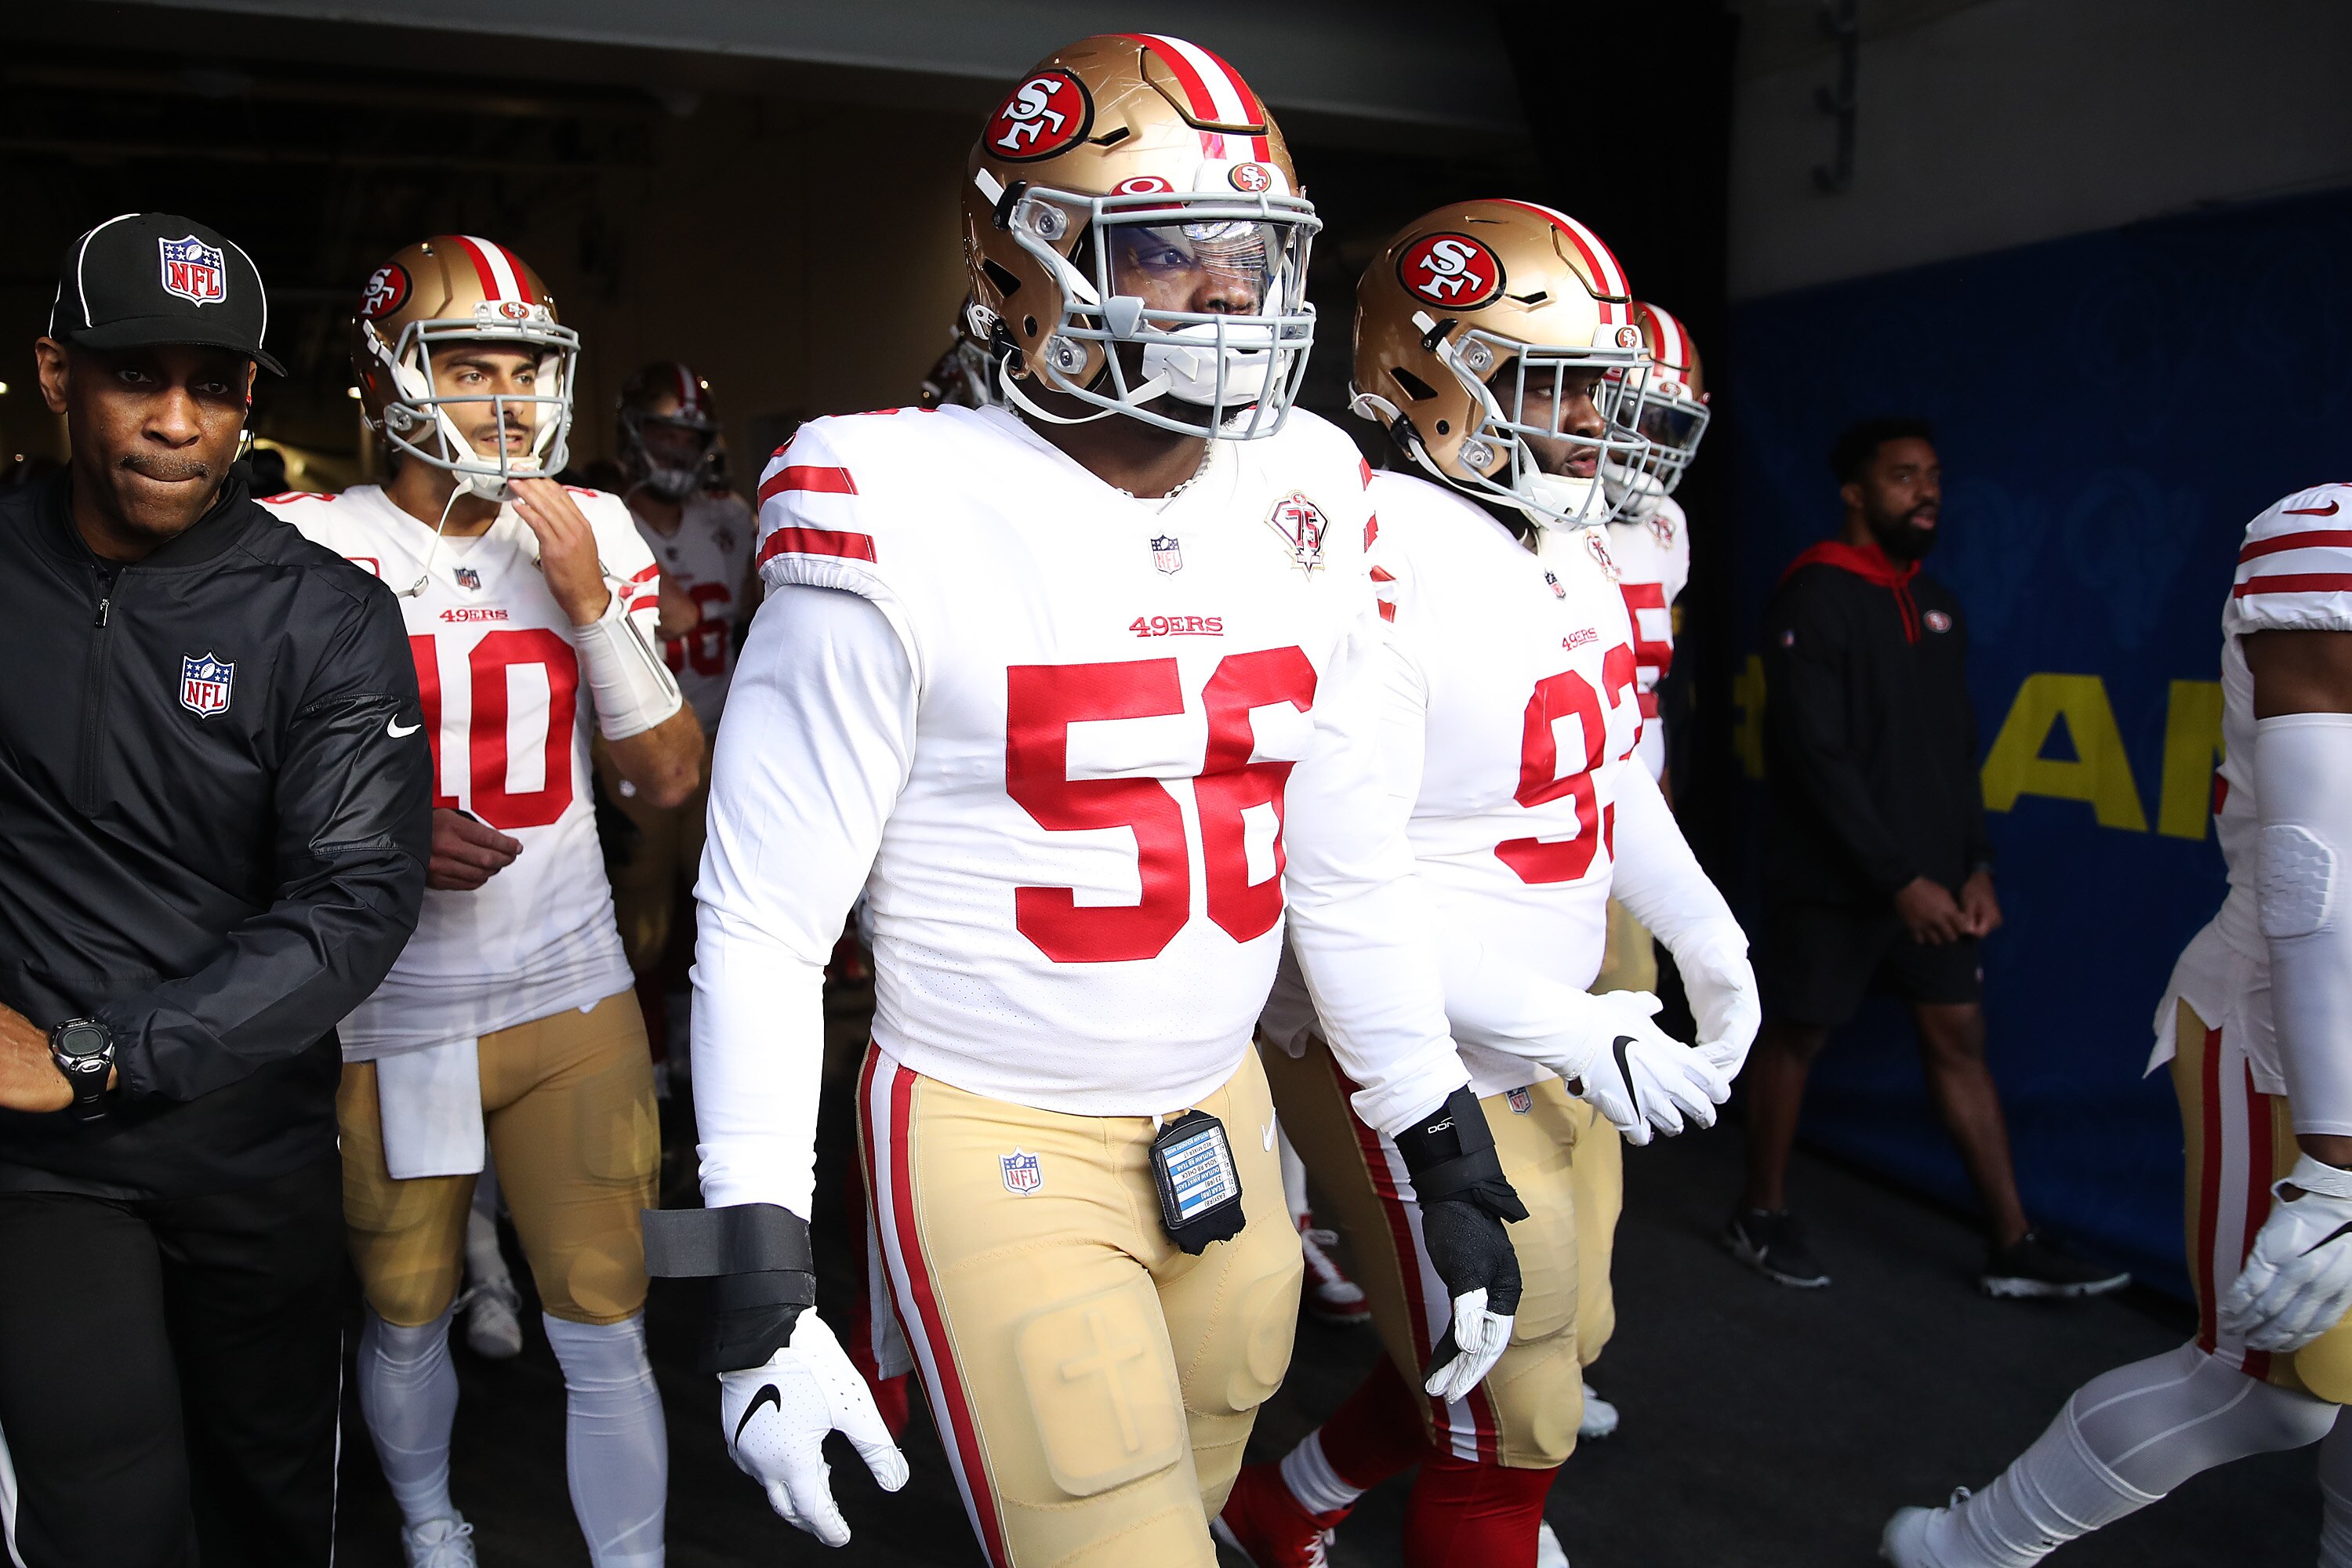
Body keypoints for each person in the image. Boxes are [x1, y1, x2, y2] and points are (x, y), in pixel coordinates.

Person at [661, 35, 1526, 1567]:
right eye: (1166, 247)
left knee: (1190, 1494)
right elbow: (769, 917)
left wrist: (1435, 1138)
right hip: (993, 1122)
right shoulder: (890, 493)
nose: (1221, 290)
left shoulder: (1307, 480)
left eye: (1248, 251)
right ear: (1016, 268)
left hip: (1224, 1109)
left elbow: (1338, 859)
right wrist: (758, 1267)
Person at [1215, 199, 1757, 1568]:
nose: (1592, 428)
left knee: (1534, 1364)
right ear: (1426, 372)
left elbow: (1604, 766)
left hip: (1536, 1025)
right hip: (1408, 1042)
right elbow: (1342, 887)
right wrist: (1578, 1024)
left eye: (1602, 391)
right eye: (1560, 389)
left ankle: (1284, 1510)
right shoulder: (1370, 551)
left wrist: (1705, 937)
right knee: (1517, 1422)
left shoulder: (1554, 535)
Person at [265, 234, 703, 1568]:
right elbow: (218, 788)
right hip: (400, 1011)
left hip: (569, 990)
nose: (507, 400)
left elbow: (667, 781)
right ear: (394, 374)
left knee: (605, 1311)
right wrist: (375, 826)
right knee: (406, 1306)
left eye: (525, 368)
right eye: (469, 366)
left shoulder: (597, 530)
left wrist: (584, 599)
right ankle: (432, 1525)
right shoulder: (307, 543)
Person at [0, 212, 430, 1566]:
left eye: (217, 384)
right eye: (139, 376)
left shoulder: (325, 617)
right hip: (47, 1170)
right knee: (108, 1503)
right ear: (59, 374)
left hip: (250, 1150)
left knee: (269, 1507)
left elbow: (355, 899)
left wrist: (97, 1053)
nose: (179, 422)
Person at [1882, 479, 2352, 1563]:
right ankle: (1971, 1546)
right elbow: (2317, 873)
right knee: (2268, 1390)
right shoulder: (2323, 539)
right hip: (2298, 1030)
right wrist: (2333, 1164)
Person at [1728, 419, 2125, 1297]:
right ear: (1856, 493)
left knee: (1958, 1039)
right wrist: (1897, 878)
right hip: (1839, 882)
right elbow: (1813, 757)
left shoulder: (1936, 601)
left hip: (1937, 884)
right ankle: (1759, 1212)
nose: (1927, 492)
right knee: (1797, 1035)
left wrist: (1974, 864)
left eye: (1934, 476)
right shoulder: (1814, 593)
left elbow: (1954, 751)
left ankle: (2013, 1243)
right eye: (1904, 476)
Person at [1573, 298, 1713, 1448]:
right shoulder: (1520, 515)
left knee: (1604, 1079)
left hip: (1629, 835)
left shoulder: (1662, 523)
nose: (1641, 439)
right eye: (1630, 410)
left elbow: (1642, 709)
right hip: (1528, 837)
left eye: (1665, 418)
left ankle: (1562, 1329)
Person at [600, 361, 754, 1069]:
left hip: (719, 737)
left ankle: (702, 1064)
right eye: (665, 436)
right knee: (639, 922)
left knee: (724, 912)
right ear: (633, 436)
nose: (678, 454)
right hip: (629, 747)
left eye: (689, 439)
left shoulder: (731, 521)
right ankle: (644, 1065)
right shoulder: (602, 520)